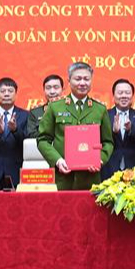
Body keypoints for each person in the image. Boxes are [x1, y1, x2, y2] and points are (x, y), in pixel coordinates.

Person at [37, 62, 114, 190]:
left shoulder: (100, 109)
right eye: (78, 79)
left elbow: (108, 142)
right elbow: (42, 140)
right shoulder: (55, 107)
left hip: (91, 179)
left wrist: (100, 159)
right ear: (69, 81)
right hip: (63, 179)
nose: (82, 83)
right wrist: (58, 161)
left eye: (86, 79)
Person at [102, 78, 135, 180]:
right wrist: (113, 132)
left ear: (132, 96)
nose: (124, 96)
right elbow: (99, 140)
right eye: (120, 93)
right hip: (109, 168)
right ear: (113, 96)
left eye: (127, 93)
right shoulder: (104, 115)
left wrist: (131, 129)